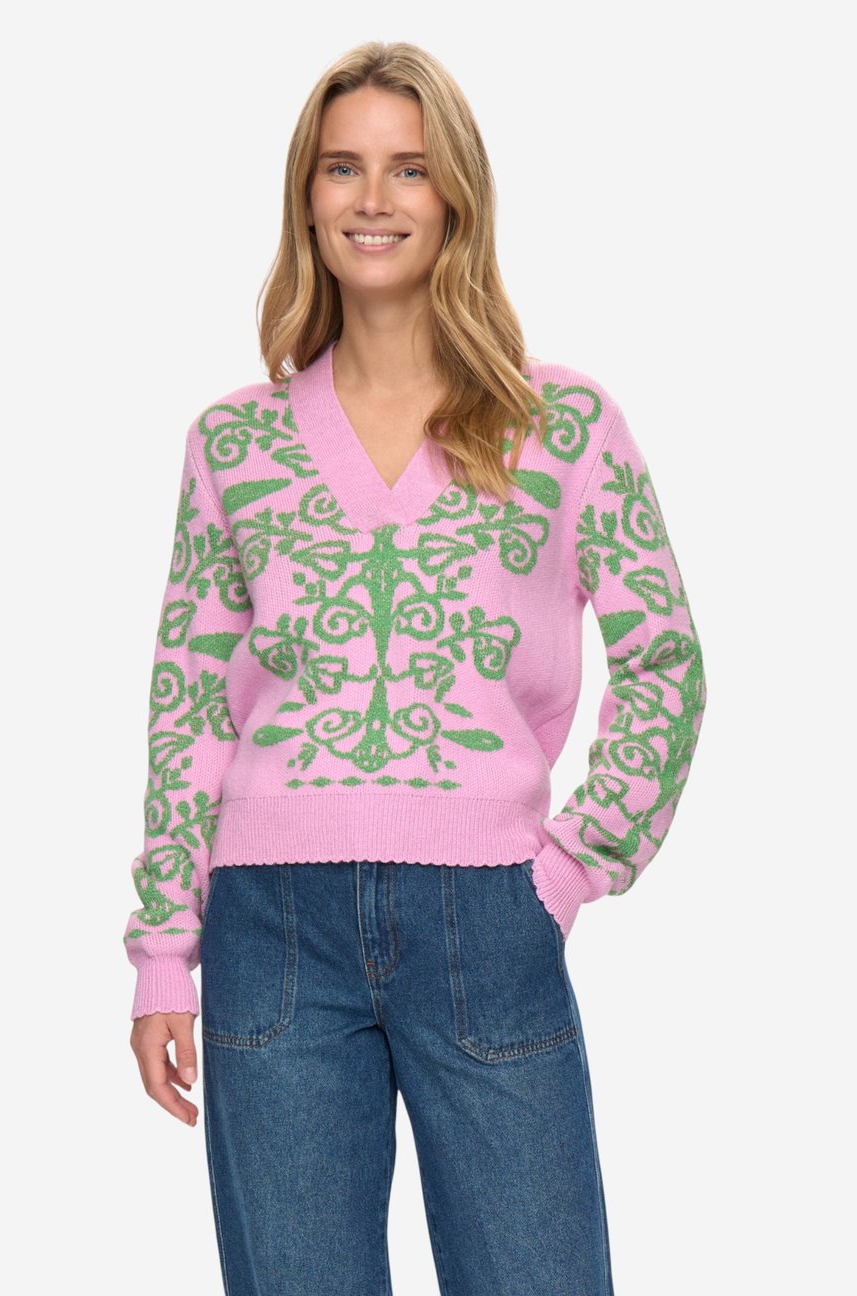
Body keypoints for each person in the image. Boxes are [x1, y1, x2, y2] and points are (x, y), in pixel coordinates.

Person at [125, 39, 707, 1296]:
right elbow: (190, 705)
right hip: (271, 930)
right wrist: (164, 950)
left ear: (457, 196)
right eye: (343, 167)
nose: (374, 198)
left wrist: (569, 871)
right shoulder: (234, 443)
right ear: (307, 196)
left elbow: (665, 661)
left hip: (489, 919)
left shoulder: (564, 428)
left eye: (409, 167)